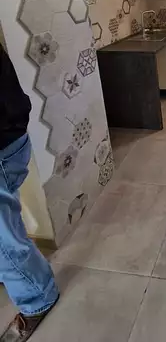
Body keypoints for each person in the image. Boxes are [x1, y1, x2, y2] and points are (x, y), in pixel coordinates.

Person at [0, 43, 59, 341]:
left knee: (4, 241)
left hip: (2, 145)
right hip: (10, 138)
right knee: (6, 230)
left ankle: (38, 298)